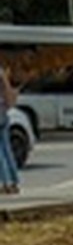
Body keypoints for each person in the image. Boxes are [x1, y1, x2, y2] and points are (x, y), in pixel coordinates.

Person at [0, 64, 20, 195]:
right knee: (7, 149)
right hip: (3, 112)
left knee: (0, 153)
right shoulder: (1, 72)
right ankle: (14, 181)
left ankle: (6, 183)